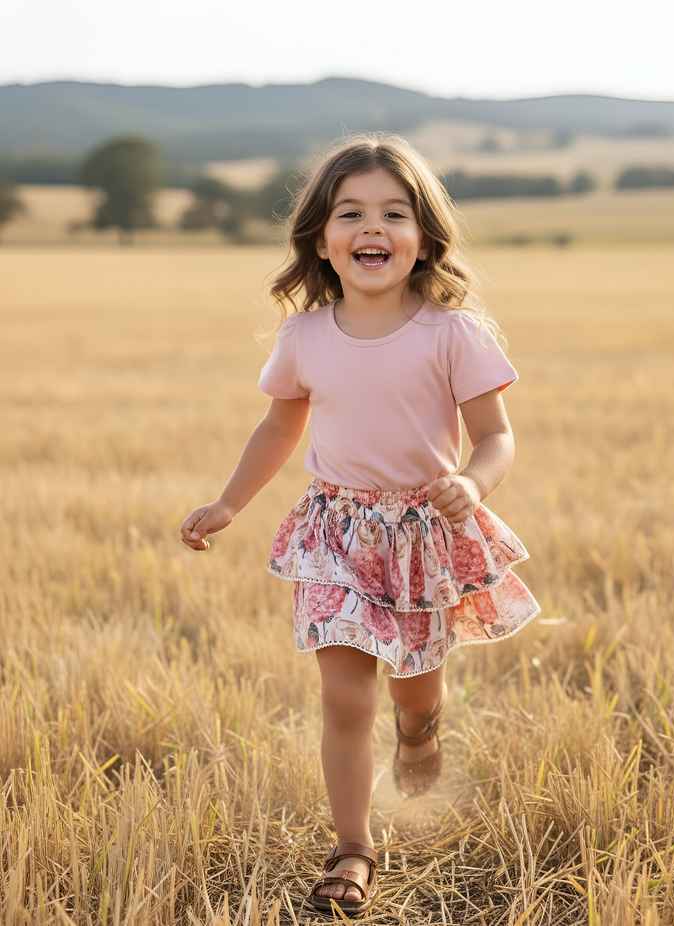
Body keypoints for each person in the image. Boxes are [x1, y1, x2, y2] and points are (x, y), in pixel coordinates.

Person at [180, 134, 540, 915]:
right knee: (345, 699)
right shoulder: (304, 336)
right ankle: (353, 849)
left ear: (422, 237)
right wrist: (229, 503)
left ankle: (419, 735)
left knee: (414, 694)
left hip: (422, 537)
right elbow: (279, 430)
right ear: (321, 238)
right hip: (335, 534)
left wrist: (472, 484)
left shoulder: (453, 332)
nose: (372, 227)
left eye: (393, 213)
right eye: (351, 213)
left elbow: (498, 436)